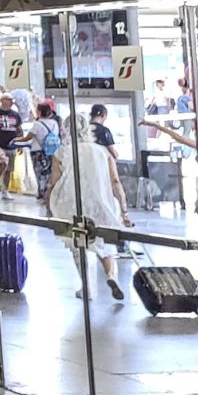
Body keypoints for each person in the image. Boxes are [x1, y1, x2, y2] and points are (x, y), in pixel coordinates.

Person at [47, 113, 130, 301]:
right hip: (101, 203)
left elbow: (54, 181)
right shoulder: (103, 151)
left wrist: (49, 203)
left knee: (79, 246)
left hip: (73, 205)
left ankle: (87, 288)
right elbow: (115, 181)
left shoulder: (62, 152)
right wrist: (124, 210)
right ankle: (111, 276)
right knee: (104, 245)